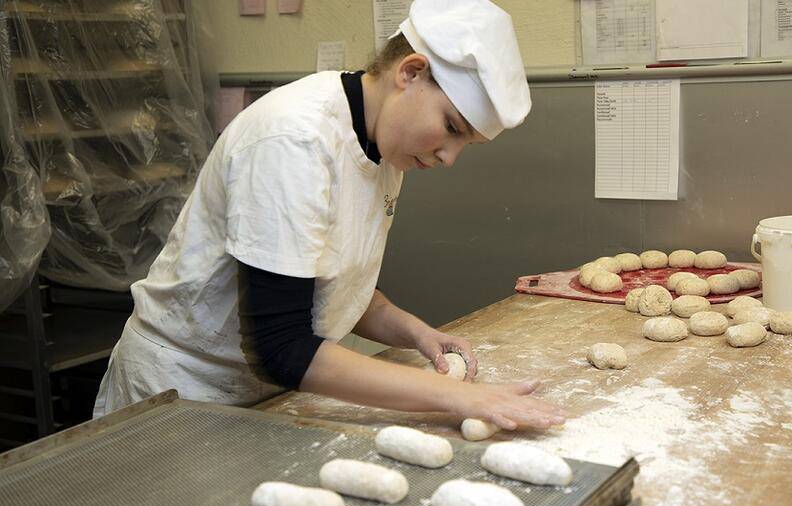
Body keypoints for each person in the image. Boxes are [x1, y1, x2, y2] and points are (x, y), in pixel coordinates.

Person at [93, 0, 566, 432]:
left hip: (260, 395)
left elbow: (331, 289)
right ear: (411, 72)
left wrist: (414, 333)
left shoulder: (383, 146)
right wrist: (458, 397)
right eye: (451, 128)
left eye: (466, 144)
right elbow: (282, 347)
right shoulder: (295, 141)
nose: (450, 158)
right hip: (181, 393)